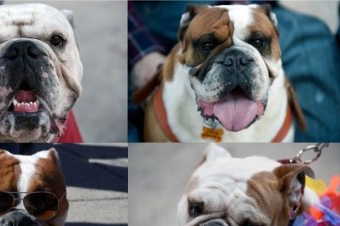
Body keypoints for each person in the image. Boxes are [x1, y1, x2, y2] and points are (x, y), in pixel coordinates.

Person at [128, 1, 340, 142]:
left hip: (255, 8)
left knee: (314, 33)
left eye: (257, 42)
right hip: (164, 11)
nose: (236, 64)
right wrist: (140, 52)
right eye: (209, 44)